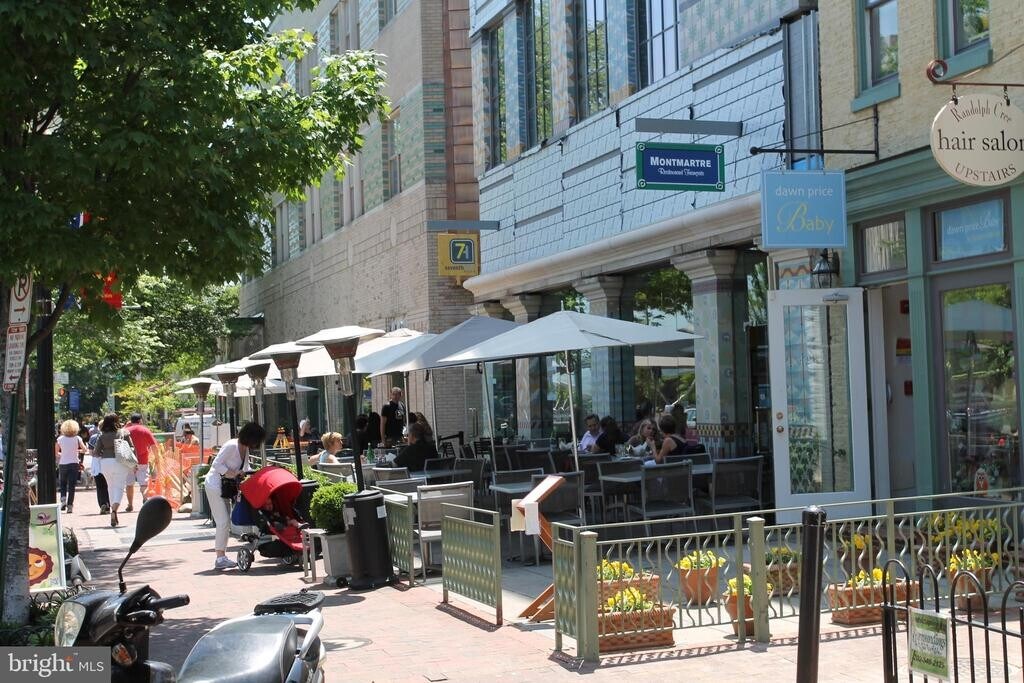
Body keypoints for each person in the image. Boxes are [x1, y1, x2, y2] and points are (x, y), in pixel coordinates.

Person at [205, 422, 266, 570]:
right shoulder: (232, 446)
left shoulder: (244, 448)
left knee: (224, 522)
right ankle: (220, 557)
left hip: (225, 487)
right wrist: (232, 473)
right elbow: (216, 464)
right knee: (223, 521)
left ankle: (221, 556)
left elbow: (245, 467)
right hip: (215, 485)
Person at [93, 413, 133, 527]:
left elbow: (96, 452)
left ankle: (112, 510)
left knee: (110, 487)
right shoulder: (123, 432)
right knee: (119, 487)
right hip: (120, 461)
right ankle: (114, 510)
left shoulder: (102, 435)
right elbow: (131, 447)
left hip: (105, 463)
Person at [123, 413, 157, 511]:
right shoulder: (145, 430)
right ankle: (145, 499)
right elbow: (153, 446)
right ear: (140, 420)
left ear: (131, 421)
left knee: (129, 483)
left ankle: (130, 504)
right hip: (142, 460)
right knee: (143, 483)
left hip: (128, 460)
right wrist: (157, 458)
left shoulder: (125, 431)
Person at [56, 420, 87, 513]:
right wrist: (78, 451)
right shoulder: (77, 438)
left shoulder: (60, 439)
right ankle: (70, 505)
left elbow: (56, 452)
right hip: (74, 463)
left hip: (63, 463)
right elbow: (84, 449)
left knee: (63, 483)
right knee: (72, 486)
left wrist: (63, 454)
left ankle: (63, 500)